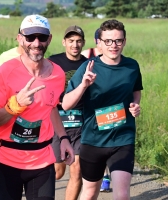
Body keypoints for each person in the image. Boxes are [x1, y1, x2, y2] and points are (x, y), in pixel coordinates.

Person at [0, 14, 75, 200]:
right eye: (30, 37)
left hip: (42, 162)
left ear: (49, 39)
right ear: (20, 38)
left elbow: (51, 108)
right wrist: (15, 105)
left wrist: (64, 137)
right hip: (7, 161)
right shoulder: (5, 72)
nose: (36, 43)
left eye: (42, 37)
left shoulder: (57, 74)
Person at [62, 19, 143, 200]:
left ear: (124, 41)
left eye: (118, 41)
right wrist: (83, 85)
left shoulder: (132, 66)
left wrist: (135, 105)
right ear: (99, 42)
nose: (113, 45)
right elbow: (66, 104)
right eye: (108, 41)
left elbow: (136, 91)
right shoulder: (88, 66)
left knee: (121, 195)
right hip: (93, 140)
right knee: (90, 192)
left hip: (123, 138)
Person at [48, 25, 87, 200]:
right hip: (57, 122)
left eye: (78, 41)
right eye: (71, 41)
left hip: (81, 123)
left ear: (83, 43)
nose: (75, 44)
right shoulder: (52, 62)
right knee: (57, 171)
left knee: (77, 170)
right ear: (64, 42)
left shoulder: (88, 64)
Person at [82, 28, 111, 193]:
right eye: (102, 41)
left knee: (106, 141)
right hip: (90, 105)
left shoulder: (113, 56)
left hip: (107, 107)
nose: (104, 44)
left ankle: (105, 177)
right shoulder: (88, 54)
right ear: (97, 41)